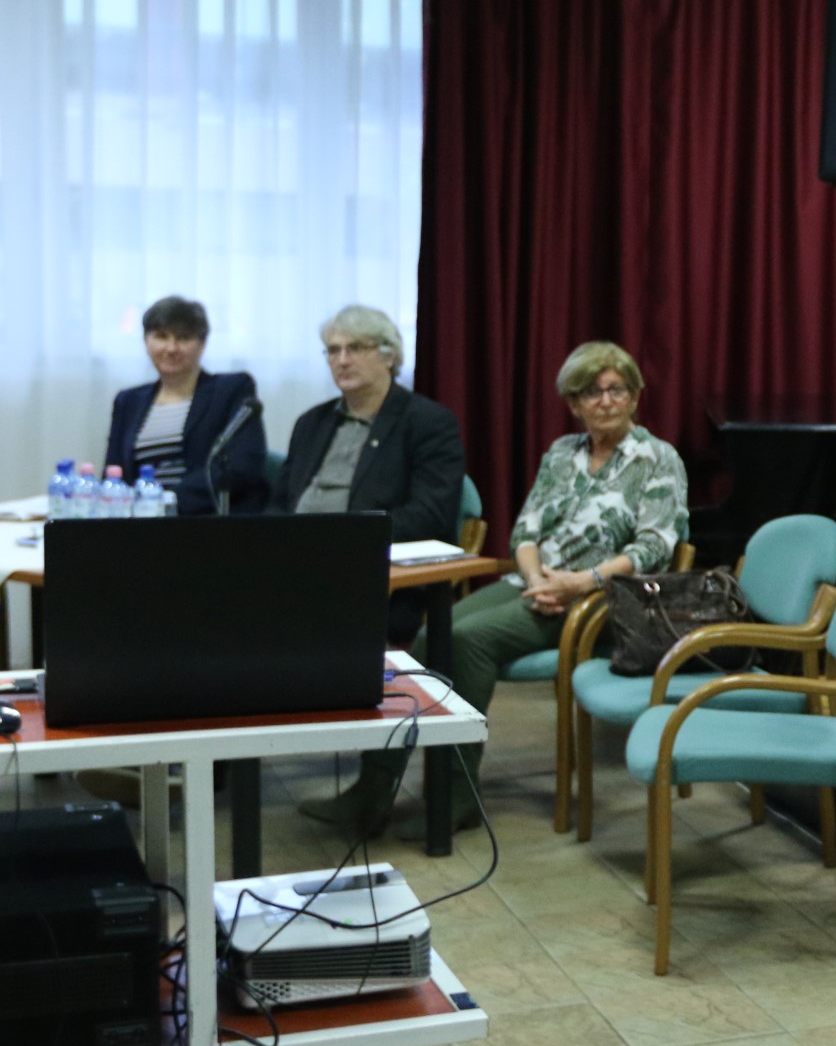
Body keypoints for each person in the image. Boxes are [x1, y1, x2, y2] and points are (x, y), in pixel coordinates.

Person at [302, 341, 688, 840]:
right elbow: (525, 532)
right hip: (535, 583)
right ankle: (373, 789)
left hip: (602, 600)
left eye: (618, 389)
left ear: (635, 396)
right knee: (431, 637)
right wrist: (537, 579)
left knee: (469, 641)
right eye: (592, 392)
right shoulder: (562, 454)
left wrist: (580, 582)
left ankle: (457, 796)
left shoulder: (657, 458)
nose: (606, 400)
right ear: (574, 403)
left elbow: (655, 545)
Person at [274, 305, 465, 645]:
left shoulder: (428, 422)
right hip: (295, 565)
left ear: (389, 356)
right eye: (333, 350)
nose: (342, 360)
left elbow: (429, 515)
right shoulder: (311, 423)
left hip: (376, 574)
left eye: (355, 348)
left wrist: (346, 543)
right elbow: (279, 503)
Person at [105, 296, 269, 515]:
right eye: (161, 336)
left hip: (206, 518)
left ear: (202, 344)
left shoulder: (231, 389)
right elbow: (114, 474)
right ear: (146, 341)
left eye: (183, 338)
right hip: (140, 521)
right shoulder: (128, 401)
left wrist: (165, 502)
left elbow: (241, 466)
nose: (171, 348)